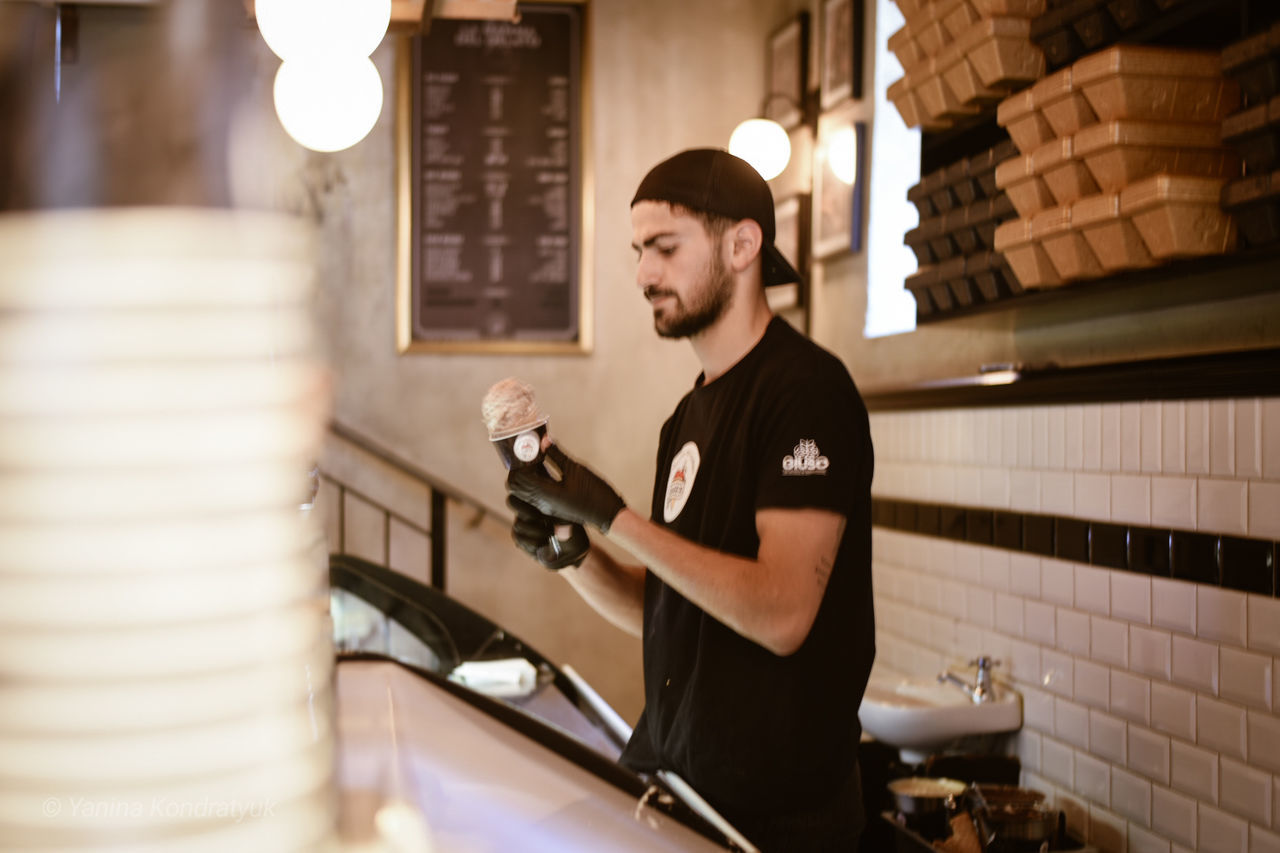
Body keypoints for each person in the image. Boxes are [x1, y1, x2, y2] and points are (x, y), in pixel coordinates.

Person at [505, 148, 875, 852]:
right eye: (639, 251)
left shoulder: (806, 392)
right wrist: (577, 551)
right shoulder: (687, 417)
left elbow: (783, 613)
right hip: (679, 788)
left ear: (742, 245)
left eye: (665, 248)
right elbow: (669, 605)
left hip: (774, 819)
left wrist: (613, 516)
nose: (644, 273)